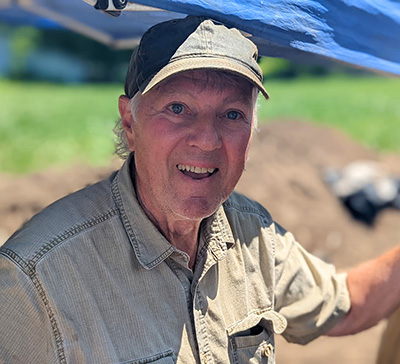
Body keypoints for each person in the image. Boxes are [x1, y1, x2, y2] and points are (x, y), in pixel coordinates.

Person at [0, 15, 400, 364]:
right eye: (178, 108)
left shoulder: (250, 234)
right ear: (129, 122)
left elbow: (346, 304)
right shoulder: (35, 279)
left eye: (232, 114)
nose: (207, 140)